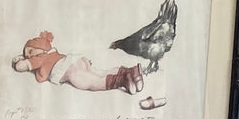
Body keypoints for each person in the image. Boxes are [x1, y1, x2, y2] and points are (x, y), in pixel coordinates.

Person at [12, 30, 144, 94]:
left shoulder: (39, 58)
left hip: (68, 70)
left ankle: (121, 81)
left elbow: (19, 67)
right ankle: (129, 72)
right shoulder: (52, 52)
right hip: (77, 60)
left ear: (40, 48)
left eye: (29, 51)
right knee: (98, 72)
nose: (27, 55)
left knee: (92, 82)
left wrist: (21, 59)